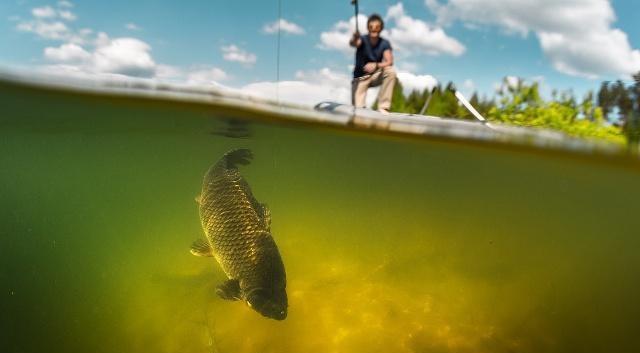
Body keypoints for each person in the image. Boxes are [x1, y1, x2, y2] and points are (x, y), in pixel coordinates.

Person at [349, 13, 396, 114]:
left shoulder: (384, 43)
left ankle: (384, 107)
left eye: (377, 27)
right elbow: (354, 43)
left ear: (381, 28)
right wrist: (355, 38)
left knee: (390, 72)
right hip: (360, 78)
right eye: (371, 27)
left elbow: (389, 61)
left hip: (375, 76)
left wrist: (376, 65)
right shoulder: (362, 39)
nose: (374, 29)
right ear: (368, 28)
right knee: (358, 111)